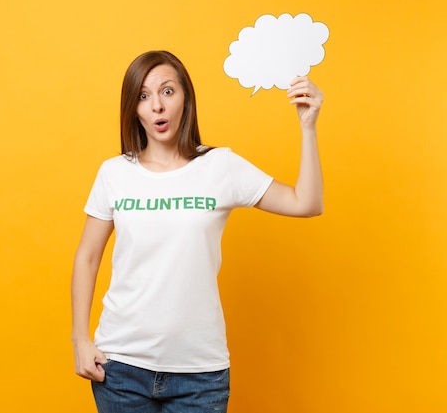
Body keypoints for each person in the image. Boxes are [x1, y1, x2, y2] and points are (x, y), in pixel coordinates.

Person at [71, 50, 324, 413]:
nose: (157, 105)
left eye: (167, 91)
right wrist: (80, 339)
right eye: (144, 96)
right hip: (121, 368)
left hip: (199, 375)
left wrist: (308, 127)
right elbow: (88, 255)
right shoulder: (114, 173)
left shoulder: (221, 166)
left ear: (185, 97)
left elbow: (307, 203)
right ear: (133, 108)